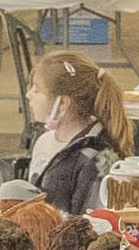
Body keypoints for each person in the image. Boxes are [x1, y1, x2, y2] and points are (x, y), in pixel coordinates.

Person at [17, 47, 122, 220]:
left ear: (62, 103)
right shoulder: (43, 141)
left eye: (36, 90)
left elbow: (93, 222)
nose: (28, 95)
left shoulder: (96, 155)